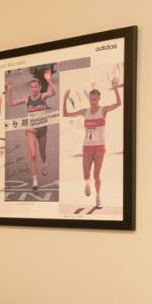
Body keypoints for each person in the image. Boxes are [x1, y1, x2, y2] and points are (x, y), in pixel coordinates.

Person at [63, 77, 124, 211]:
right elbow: (65, 114)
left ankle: (98, 197)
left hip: (100, 148)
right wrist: (65, 98)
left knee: (97, 175)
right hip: (87, 148)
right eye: (91, 99)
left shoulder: (103, 110)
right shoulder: (85, 112)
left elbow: (119, 104)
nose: (92, 101)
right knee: (86, 175)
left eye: (95, 99)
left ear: (99, 99)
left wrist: (115, 88)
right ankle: (87, 183)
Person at [7, 72, 54, 191]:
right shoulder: (26, 99)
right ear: (30, 88)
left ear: (39, 88)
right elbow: (11, 103)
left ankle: (44, 162)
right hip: (31, 130)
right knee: (33, 155)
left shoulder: (43, 96)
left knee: (42, 153)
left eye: (36, 87)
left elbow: (54, 92)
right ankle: (35, 180)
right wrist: (10, 90)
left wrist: (48, 80)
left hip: (42, 129)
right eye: (32, 87)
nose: (34, 89)